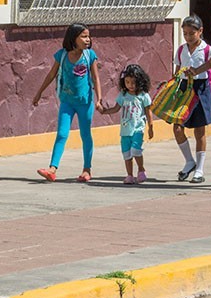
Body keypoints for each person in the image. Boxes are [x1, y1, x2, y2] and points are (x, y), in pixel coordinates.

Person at [33, 24, 102, 183]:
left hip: (85, 103)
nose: (87, 39)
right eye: (83, 36)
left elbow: (95, 77)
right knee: (62, 134)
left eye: (88, 36)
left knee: (85, 135)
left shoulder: (89, 55)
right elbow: (51, 75)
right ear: (73, 38)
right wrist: (39, 92)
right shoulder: (62, 55)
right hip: (67, 102)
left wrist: (99, 99)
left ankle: (87, 169)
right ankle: (52, 169)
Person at [171, 15, 211, 183]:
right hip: (184, 89)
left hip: (201, 88)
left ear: (200, 31)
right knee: (177, 128)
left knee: (199, 130)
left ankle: (200, 169)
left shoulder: (207, 50)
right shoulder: (181, 50)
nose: (188, 37)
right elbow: (177, 71)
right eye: (185, 34)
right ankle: (189, 161)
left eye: (191, 33)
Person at [98, 64, 154, 184]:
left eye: (133, 82)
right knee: (127, 154)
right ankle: (129, 175)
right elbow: (116, 108)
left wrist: (150, 127)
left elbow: (148, 111)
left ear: (140, 81)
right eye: (127, 82)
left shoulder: (143, 95)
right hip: (125, 130)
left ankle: (141, 170)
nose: (130, 85)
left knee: (136, 151)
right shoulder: (123, 95)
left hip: (138, 129)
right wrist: (104, 111)